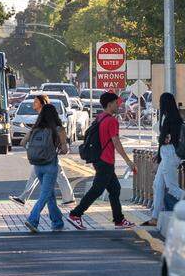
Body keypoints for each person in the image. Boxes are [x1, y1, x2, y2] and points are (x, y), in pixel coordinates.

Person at [66, 92, 136, 231]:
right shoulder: (111, 121)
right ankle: (75, 214)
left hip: (99, 159)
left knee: (115, 189)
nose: (119, 105)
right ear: (110, 104)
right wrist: (129, 161)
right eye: (117, 103)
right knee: (97, 190)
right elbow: (116, 142)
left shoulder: (100, 117)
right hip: (105, 160)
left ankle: (119, 220)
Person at [10, 93, 73, 207]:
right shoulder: (56, 127)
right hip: (50, 157)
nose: (33, 104)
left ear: (42, 105)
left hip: (43, 157)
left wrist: (34, 149)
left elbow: (23, 142)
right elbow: (64, 147)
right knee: (51, 178)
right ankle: (68, 199)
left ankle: (68, 199)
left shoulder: (39, 124)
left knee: (49, 186)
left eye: (35, 102)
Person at [22, 102, 69, 232]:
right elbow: (64, 150)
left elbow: (22, 142)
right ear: (55, 115)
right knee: (45, 195)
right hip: (50, 165)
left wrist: (34, 150)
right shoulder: (59, 129)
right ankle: (32, 220)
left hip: (37, 165)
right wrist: (59, 147)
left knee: (50, 195)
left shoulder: (35, 128)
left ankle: (57, 222)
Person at [142, 92, 184, 228]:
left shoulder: (169, 119)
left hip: (169, 154)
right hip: (168, 154)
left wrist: (160, 153)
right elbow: (165, 140)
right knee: (158, 185)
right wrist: (159, 156)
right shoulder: (176, 118)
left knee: (172, 188)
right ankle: (155, 217)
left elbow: (163, 139)